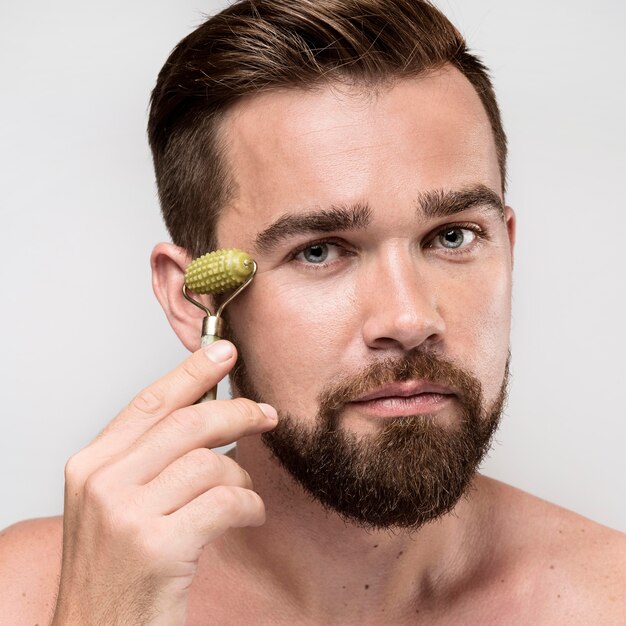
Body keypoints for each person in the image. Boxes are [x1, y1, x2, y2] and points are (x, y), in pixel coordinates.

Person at [1, 0, 624, 623]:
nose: (408, 319)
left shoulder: (605, 597)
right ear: (195, 297)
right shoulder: (29, 596)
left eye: (453, 236)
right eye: (320, 251)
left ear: (508, 250)